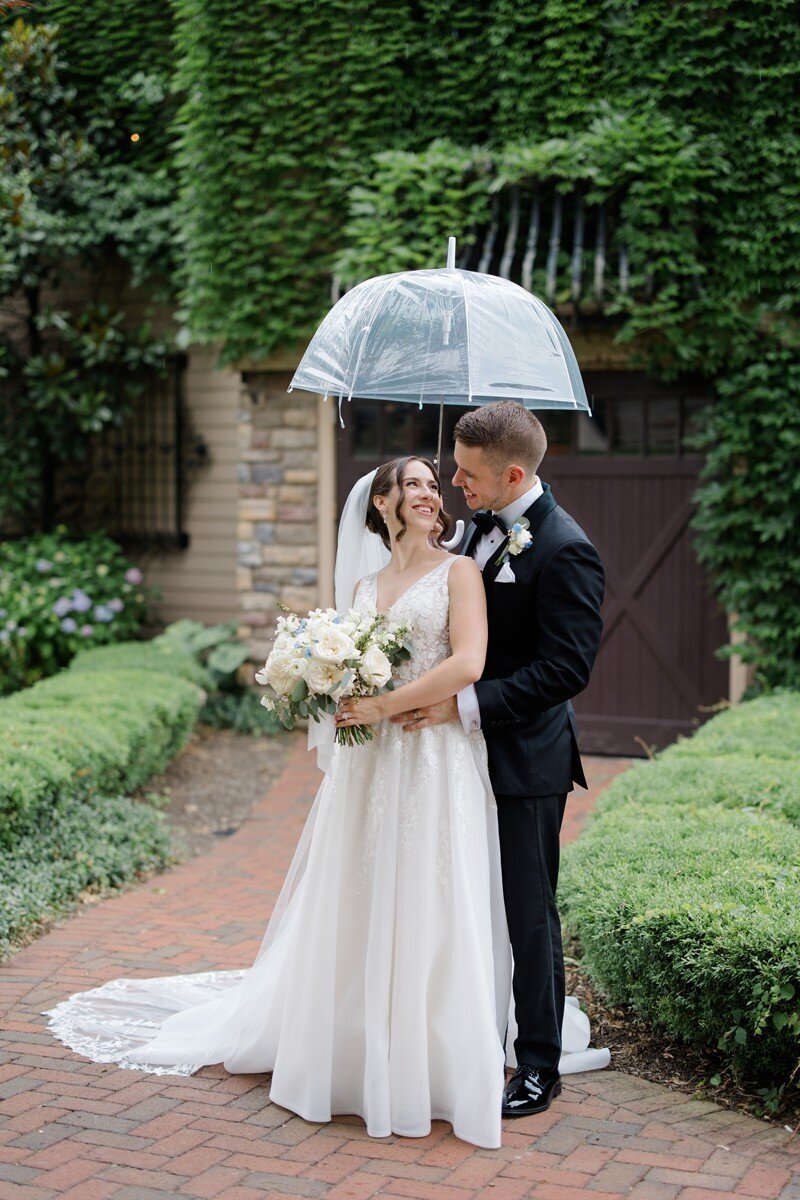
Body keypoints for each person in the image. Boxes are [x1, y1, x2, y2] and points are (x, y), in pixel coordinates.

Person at [44, 455, 513, 1149]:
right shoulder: (362, 586)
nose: (426, 493)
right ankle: (349, 1046)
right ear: (381, 504)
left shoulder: (460, 573)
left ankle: (431, 1058)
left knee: (430, 891)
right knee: (356, 893)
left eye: (431, 485)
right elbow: (338, 677)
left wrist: (382, 703)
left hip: (430, 759)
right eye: (410, 484)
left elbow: (468, 662)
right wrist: (331, 688)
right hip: (368, 770)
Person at [390, 401, 605, 1118]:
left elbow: (566, 669)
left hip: (524, 756)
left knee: (528, 910)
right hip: (451, 760)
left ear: (514, 473)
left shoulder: (564, 547)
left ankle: (538, 1064)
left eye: (469, 472)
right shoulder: (475, 532)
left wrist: (463, 705)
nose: (453, 482)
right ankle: (459, 1035)